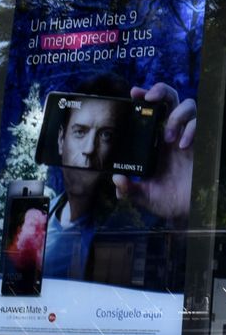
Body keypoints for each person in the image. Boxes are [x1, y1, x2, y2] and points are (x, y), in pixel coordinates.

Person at [41, 71, 195, 290]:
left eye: (106, 135)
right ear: (60, 140)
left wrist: (184, 217)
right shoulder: (37, 220)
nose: (89, 149)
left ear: (119, 149)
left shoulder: (140, 224)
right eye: (80, 132)